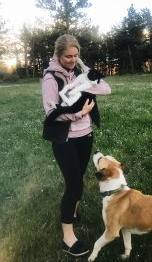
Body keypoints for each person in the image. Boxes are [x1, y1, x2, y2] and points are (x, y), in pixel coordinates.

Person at [42, 34, 111, 257]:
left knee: (79, 181)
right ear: (58, 55)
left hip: (86, 135)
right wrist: (80, 113)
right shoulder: (51, 79)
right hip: (65, 139)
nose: (72, 59)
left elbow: (105, 89)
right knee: (73, 185)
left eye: (76, 55)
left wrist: (87, 71)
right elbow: (52, 113)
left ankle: (72, 213)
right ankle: (67, 238)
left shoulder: (80, 74)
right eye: (68, 56)